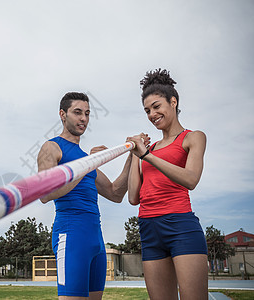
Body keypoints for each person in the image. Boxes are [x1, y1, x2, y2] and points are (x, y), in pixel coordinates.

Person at [37, 92, 144, 300]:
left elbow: (115, 193)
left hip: (96, 241)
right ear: (62, 114)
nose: (83, 119)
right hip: (71, 236)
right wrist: (88, 164)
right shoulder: (52, 147)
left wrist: (132, 156)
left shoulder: (87, 160)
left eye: (87, 113)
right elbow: (45, 193)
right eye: (77, 112)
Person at [126, 69, 208, 300]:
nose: (152, 114)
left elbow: (191, 179)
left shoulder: (193, 137)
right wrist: (135, 154)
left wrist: (146, 157)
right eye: (147, 110)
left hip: (180, 225)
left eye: (156, 106)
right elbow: (133, 197)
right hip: (149, 228)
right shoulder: (147, 150)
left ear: (173, 102)